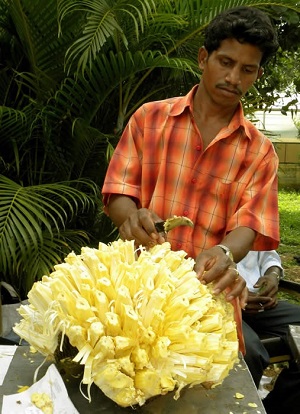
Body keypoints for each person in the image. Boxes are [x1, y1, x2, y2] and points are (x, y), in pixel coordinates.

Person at [102, 7, 280, 350]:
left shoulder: (259, 152)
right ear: (203, 58)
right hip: (136, 288)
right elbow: (119, 193)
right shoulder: (149, 119)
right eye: (225, 63)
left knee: (230, 370)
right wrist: (132, 216)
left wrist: (225, 250)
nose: (233, 78)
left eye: (247, 70)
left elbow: (250, 225)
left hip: (208, 293)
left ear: (257, 74)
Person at [238, 250, 300, 414]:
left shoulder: (254, 225)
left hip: (259, 300)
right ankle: (241, 408)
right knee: (247, 351)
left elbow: (268, 255)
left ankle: (275, 407)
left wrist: (273, 275)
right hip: (215, 302)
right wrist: (231, 296)